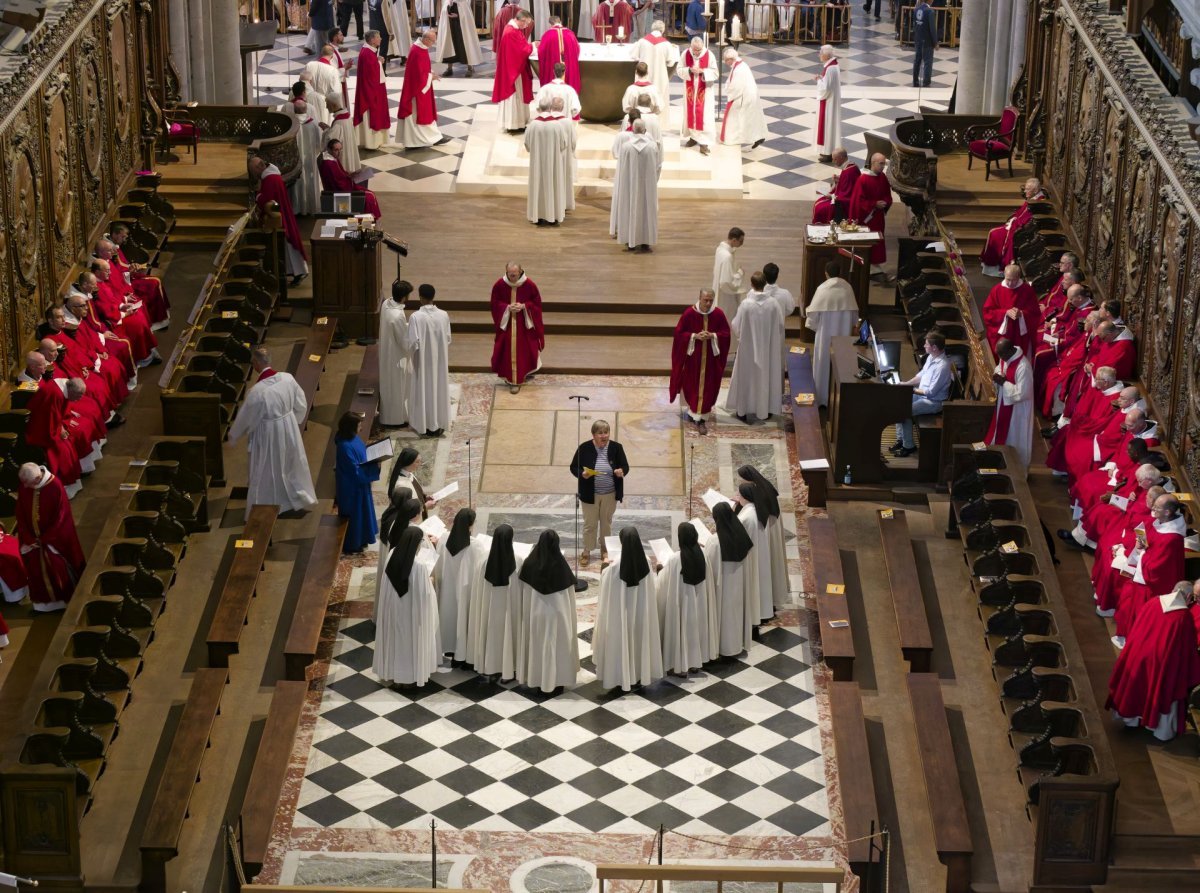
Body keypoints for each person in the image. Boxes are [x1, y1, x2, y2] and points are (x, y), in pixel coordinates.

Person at [227, 347, 319, 519]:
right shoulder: (287, 378)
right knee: (290, 463)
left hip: (267, 434)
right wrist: (294, 419)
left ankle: (264, 506)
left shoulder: (256, 392)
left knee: (265, 469)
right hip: (288, 427)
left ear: (255, 364)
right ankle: (295, 498)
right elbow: (301, 401)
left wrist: (233, 437)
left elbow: (245, 418)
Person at [1106, 581, 1200, 741]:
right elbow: (1187, 648)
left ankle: (1131, 720)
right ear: (1189, 597)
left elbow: (1137, 628)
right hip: (1162, 665)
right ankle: (1160, 731)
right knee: (1163, 690)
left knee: (1134, 690)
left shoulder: (1153, 602)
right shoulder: (1183, 617)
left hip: (1138, 657)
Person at [593, 527, 663, 691]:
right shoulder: (645, 560)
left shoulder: (615, 566)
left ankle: (619, 676)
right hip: (640, 612)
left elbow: (606, 585)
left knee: (621, 640)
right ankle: (639, 673)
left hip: (620, 614)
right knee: (638, 640)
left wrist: (604, 565)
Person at [1112, 495, 1187, 645]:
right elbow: (1151, 546)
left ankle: (1134, 642)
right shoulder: (1160, 522)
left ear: (1167, 512)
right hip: (1144, 572)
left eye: (1157, 507)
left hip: (1153, 585)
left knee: (1139, 613)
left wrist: (1142, 552)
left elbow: (1157, 567)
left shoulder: (1172, 538)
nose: (1152, 508)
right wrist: (1142, 545)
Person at [374, 526, 441, 688]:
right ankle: (409, 678)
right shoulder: (418, 566)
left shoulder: (392, 554)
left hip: (394, 608)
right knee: (410, 643)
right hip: (411, 612)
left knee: (395, 641)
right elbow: (425, 596)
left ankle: (394, 675)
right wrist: (431, 581)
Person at [15, 464, 85, 613]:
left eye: (27, 483)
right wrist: (28, 538)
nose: (24, 486)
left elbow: (61, 518)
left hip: (54, 540)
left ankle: (63, 603)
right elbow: (20, 512)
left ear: (38, 478)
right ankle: (42, 606)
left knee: (57, 568)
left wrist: (44, 539)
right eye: (23, 483)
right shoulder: (25, 485)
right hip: (32, 541)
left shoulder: (55, 486)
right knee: (34, 570)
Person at [518, 529, 580, 692]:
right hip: (559, 616)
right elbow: (570, 597)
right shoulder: (562, 566)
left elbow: (525, 592)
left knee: (538, 647)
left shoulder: (530, 564)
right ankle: (558, 681)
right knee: (559, 647)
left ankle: (538, 680)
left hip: (536, 614)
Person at [467, 524, 526, 680]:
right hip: (510, 609)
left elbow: (477, 588)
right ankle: (509, 668)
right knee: (509, 633)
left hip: (489, 607)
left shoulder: (483, 560)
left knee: (490, 633)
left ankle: (490, 667)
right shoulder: (518, 560)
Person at [657, 521, 717, 674]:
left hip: (682, 603)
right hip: (700, 602)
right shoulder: (703, 553)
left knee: (681, 630)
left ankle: (680, 667)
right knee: (696, 630)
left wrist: (659, 569)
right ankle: (695, 663)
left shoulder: (675, 559)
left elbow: (663, 583)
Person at [670, 289, 730, 435]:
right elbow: (679, 334)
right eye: (705, 300)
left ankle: (701, 418)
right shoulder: (689, 314)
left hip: (711, 360)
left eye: (711, 300)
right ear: (699, 298)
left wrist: (713, 336)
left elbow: (726, 334)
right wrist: (694, 336)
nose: (708, 303)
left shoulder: (718, 314)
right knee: (692, 384)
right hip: (694, 359)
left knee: (708, 386)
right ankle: (693, 413)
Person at [570, 420, 629, 567]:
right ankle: (587, 550)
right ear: (593, 435)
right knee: (590, 524)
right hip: (590, 494)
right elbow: (573, 467)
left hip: (610, 494)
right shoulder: (584, 448)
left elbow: (625, 466)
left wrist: (621, 471)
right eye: (600, 433)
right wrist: (581, 474)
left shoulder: (616, 447)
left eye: (606, 432)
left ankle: (605, 550)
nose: (604, 436)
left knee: (606, 523)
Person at [727, 272, 785, 423]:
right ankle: (765, 409)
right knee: (765, 376)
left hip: (748, 349)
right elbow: (780, 325)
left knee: (746, 376)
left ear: (751, 285)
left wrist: (742, 336)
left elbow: (735, 325)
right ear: (765, 284)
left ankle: (742, 410)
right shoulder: (773, 303)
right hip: (767, 349)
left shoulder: (746, 304)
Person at [23, 353, 83, 495]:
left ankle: (72, 482)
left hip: (48, 426)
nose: (77, 400)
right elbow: (48, 422)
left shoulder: (61, 389)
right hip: (39, 431)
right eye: (78, 397)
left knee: (67, 444)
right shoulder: (55, 395)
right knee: (61, 450)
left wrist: (61, 426)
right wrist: (59, 431)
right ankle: (65, 486)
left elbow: (55, 417)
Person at [434, 508, 489, 662]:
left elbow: (438, 563)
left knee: (448, 615)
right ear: (470, 525)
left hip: (447, 588)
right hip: (467, 590)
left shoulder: (444, 538)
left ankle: (449, 649)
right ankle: (464, 653)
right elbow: (480, 567)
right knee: (464, 619)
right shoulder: (475, 545)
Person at [705, 501, 755, 656]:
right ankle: (736, 644)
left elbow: (709, 565)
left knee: (723, 617)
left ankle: (723, 648)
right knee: (736, 614)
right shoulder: (741, 534)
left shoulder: (715, 541)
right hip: (739, 583)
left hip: (723, 585)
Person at [891, 331, 953, 457]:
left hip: (934, 402)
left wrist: (911, 390)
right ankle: (901, 439)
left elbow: (931, 393)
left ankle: (909, 446)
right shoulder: (931, 357)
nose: (924, 346)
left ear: (934, 348)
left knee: (905, 410)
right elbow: (921, 375)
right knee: (899, 402)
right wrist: (906, 384)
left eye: (926, 344)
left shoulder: (942, 367)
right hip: (921, 395)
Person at [804, 261, 857, 406]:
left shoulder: (823, 289)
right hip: (843, 336)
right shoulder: (848, 289)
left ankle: (821, 397)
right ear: (839, 272)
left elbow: (813, 316)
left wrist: (813, 324)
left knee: (823, 362)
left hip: (824, 335)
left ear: (826, 273)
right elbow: (854, 316)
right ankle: (838, 400)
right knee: (840, 364)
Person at [250, 156, 308, 285]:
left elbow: (268, 199)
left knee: (288, 246)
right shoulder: (271, 175)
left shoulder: (270, 179)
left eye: (254, 171)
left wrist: (258, 196)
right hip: (281, 215)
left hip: (279, 218)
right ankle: (296, 272)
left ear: (259, 167)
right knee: (288, 248)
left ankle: (298, 272)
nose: (255, 175)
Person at [737, 464, 787, 611]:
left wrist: (742, 502)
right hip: (773, 523)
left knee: (768, 560)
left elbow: (757, 507)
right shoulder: (762, 483)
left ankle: (770, 596)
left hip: (769, 527)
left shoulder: (759, 489)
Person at [490, 262, 544, 393]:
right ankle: (513, 380)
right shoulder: (499, 285)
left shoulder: (529, 285)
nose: (512, 277)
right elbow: (494, 303)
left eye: (515, 274)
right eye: (510, 274)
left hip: (524, 324)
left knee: (524, 350)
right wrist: (507, 307)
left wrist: (524, 306)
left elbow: (536, 303)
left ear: (520, 272)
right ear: (506, 272)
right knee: (508, 350)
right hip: (507, 324)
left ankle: (522, 374)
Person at [406, 283, 452, 437]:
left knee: (424, 389)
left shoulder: (415, 317)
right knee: (438, 389)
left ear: (420, 297)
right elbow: (447, 338)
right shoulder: (444, 315)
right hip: (439, 361)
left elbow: (412, 343)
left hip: (423, 363)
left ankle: (425, 424)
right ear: (433, 296)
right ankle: (438, 422)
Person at [334, 412, 382, 554]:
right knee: (356, 515)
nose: (361, 427)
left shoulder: (352, 437)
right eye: (359, 425)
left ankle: (363, 538)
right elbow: (354, 471)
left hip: (359, 484)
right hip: (351, 487)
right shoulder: (344, 446)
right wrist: (374, 467)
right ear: (350, 427)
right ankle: (353, 543)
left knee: (363, 511)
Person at [107, 223, 170, 331]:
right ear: (114, 234)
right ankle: (157, 319)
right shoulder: (109, 249)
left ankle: (161, 316)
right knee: (153, 283)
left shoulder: (114, 246)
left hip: (127, 276)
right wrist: (129, 270)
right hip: (124, 282)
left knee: (155, 281)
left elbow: (122, 265)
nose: (124, 240)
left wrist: (131, 267)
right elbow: (116, 273)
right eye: (122, 237)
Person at [983, 338, 1034, 468]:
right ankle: (999, 462)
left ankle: (1017, 469)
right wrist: (998, 375)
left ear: (1009, 351)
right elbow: (999, 368)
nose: (1000, 358)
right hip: (1003, 404)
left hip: (1018, 411)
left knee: (1015, 438)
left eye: (1001, 355)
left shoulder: (1023, 367)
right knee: (1000, 434)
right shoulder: (1006, 356)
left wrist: (1004, 383)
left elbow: (1023, 393)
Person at [980, 178, 1047, 276]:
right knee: (993, 232)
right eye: (1025, 188)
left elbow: (1028, 220)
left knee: (994, 233)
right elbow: (1021, 213)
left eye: (1028, 189)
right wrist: (1013, 220)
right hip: (1015, 226)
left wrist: (1014, 222)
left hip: (1022, 231)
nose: (1025, 191)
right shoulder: (1033, 198)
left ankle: (996, 266)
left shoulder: (1038, 202)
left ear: (1036, 191)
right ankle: (991, 266)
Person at [525, 99, 574, 226]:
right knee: (553, 184)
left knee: (538, 185)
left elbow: (527, 145)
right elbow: (564, 144)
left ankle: (538, 215)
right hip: (553, 163)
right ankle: (554, 216)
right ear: (550, 107)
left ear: (539, 108)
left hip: (537, 163)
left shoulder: (533, 124)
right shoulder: (557, 125)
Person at [612, 120, 659, 253]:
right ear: (645, 131)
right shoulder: (653, 146)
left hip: (629, 184)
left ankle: (630, 241)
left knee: (630, 207)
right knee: (647, 209)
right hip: (648, 185)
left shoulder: (626, 147)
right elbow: (657, 165)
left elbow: (621, 167)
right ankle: (646, 242)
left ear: (632, 131)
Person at [395, 27, 445, 150]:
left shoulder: (421, 48)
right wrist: (430, 77)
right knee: (418, 113)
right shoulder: (416, 51)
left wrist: (430, 74)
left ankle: (434, 137)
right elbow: (416, 75)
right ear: (426, 39)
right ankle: (415, 141)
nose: (433, 44)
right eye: (433, 41)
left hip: (422, 86)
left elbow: (422, 69)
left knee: (425, 112)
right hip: (415, 90)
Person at [847, 152, 893, 278]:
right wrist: (874, 204)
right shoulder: (863, 179)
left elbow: (887, 194)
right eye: (881, 163)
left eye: (884, 163)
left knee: (877, 240)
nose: (883, 166)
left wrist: (885, 203)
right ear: (873, 163)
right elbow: (858, 201)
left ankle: (875, 267)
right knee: (868, 240)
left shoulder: (882, 177)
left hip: (877, 217)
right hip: (866, 218)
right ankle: (868, 267)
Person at [318, 139, 385, 218]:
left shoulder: (332, 157)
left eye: (340, 149)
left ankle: (373, 220)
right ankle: (370, 220)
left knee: (370, 193)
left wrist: (351, 174)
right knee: (369, 196)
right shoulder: (329, 164)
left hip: (345, 186)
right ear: (329, 149)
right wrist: (351, 179)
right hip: (340, 193)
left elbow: (340, 174)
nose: (339, 153)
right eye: (336, 150)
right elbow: (337, 184)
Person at [492, 9, 534, 132]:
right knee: (514, 96)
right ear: (520, 20)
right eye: (526, 23)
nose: (526, 26)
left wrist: (528, 46)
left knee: (519, 96)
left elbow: (520, 46)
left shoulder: (514, 29)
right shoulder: (511, 32)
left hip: (514, 69)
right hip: (513, 72)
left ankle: (519, 122)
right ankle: (514, 124)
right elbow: (520, 51)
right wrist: (532, 46)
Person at [719, 48, 768, 149]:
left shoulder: (739, 69)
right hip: (748, 94)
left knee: (737, 118)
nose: (725, 62)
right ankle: (759, 137)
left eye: (726, 60)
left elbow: (736, 87)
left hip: (745, 96)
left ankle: (733, 139)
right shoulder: (740, 64)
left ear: (731, 59)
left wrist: (728, 91)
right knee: (751, 119)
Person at [379, 280, 411, 428]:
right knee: (398, 387)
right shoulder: (398, 315)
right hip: (396, 356)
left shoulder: (386, 304)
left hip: (386, 351)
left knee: (389, 386)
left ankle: (389, 416)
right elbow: (404, 341)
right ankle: (396, 419)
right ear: (404, 296)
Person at [633, 21, 679, 119]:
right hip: (660, 76)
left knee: (642, 98)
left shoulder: (642, 41)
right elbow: (671, 62)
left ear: (652, 29)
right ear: (663, 30)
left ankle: (640, 123)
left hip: (643, 76)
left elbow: (633, 56)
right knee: (659, 98)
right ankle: (659, 124)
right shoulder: (666, 44)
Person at [678, 36, 716, 155]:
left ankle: (704, 143)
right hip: (690, 90)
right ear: (691, 46)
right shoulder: (685, 53)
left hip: (705, 90)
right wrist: (689, 70)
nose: (696, 53)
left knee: (703, 116)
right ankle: (693, 137)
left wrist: (702, 71)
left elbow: (715, 73)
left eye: (699, 50)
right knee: (691, 113)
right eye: (695, 50)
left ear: (702, 46)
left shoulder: (709, 55)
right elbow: (679, 69)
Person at [353, 31, 391, 150]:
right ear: (372, 40)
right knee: (372, 114)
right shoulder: (368, 54)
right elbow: (372, 75)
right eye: (379, 37)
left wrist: (377, 60)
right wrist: (379, 62)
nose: (381, 39)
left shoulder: (368, 51)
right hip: (371, 92)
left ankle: (376, 141)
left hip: (370, 89)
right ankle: (372, 142)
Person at [811, 147, 859, 224]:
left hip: (845, 204)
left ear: (841, 158)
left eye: (835, 159)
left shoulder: (849, 171)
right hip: (842, 199)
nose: (833, 161)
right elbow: (846, 185)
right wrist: (838, 180)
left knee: (820, 208)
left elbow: (847, 195)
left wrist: (831, 196)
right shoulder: (850, 167)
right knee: (819, 202)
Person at [435, 0, 482, 76]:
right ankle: (449, 68)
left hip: (461, 15)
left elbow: (465, 5)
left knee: (465, 41)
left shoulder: (464, 4)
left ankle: (470, 67)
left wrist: (459, 14)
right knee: (449, 42)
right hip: (449, 18)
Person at [537, 17, 581, 98]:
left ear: (550, 24)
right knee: (569, 85)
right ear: (560, 21)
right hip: (568, 67)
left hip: (554, 67)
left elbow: (541, 51)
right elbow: (577, 49)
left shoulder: (547, 35)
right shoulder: (570, 33)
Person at [712, 226, 746, 323]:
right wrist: (740, 274)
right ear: (734, 240)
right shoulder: (727, 256)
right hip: (726, 296)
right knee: (728, 319)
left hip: (719, 291)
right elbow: (726, 282)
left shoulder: (720, 249)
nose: (742, 243)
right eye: (741, 241)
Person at [813, 45, 841, 163]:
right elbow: (829, 83)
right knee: (829, 126)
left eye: (821, 53)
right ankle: (828, 151)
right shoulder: (834, 65)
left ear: (826, 55)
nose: (819, 55)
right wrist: (822, 78)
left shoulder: (830, 68)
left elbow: (826, 89)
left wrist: (818, 80)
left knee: (827, 126)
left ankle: (827, 152)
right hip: (831, 101)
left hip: (828, 102)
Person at [324, 94, 361, 174]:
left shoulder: (338, 123)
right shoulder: (347, 118)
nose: (326, 107)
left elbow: (331, 141)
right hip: (349, 156)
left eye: (327, 104)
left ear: (333, 105)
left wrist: (325, 130)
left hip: (343, 159)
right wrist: (329, 129)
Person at [911, 0, 937, 87]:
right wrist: (935, 42)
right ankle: (926, 82)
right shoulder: (930, 11)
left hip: (918, 40)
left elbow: (914, 25)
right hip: (927, 42)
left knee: (917, 61)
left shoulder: (916, 9)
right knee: (927, 62)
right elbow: (932, 29)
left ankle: (915, 81)